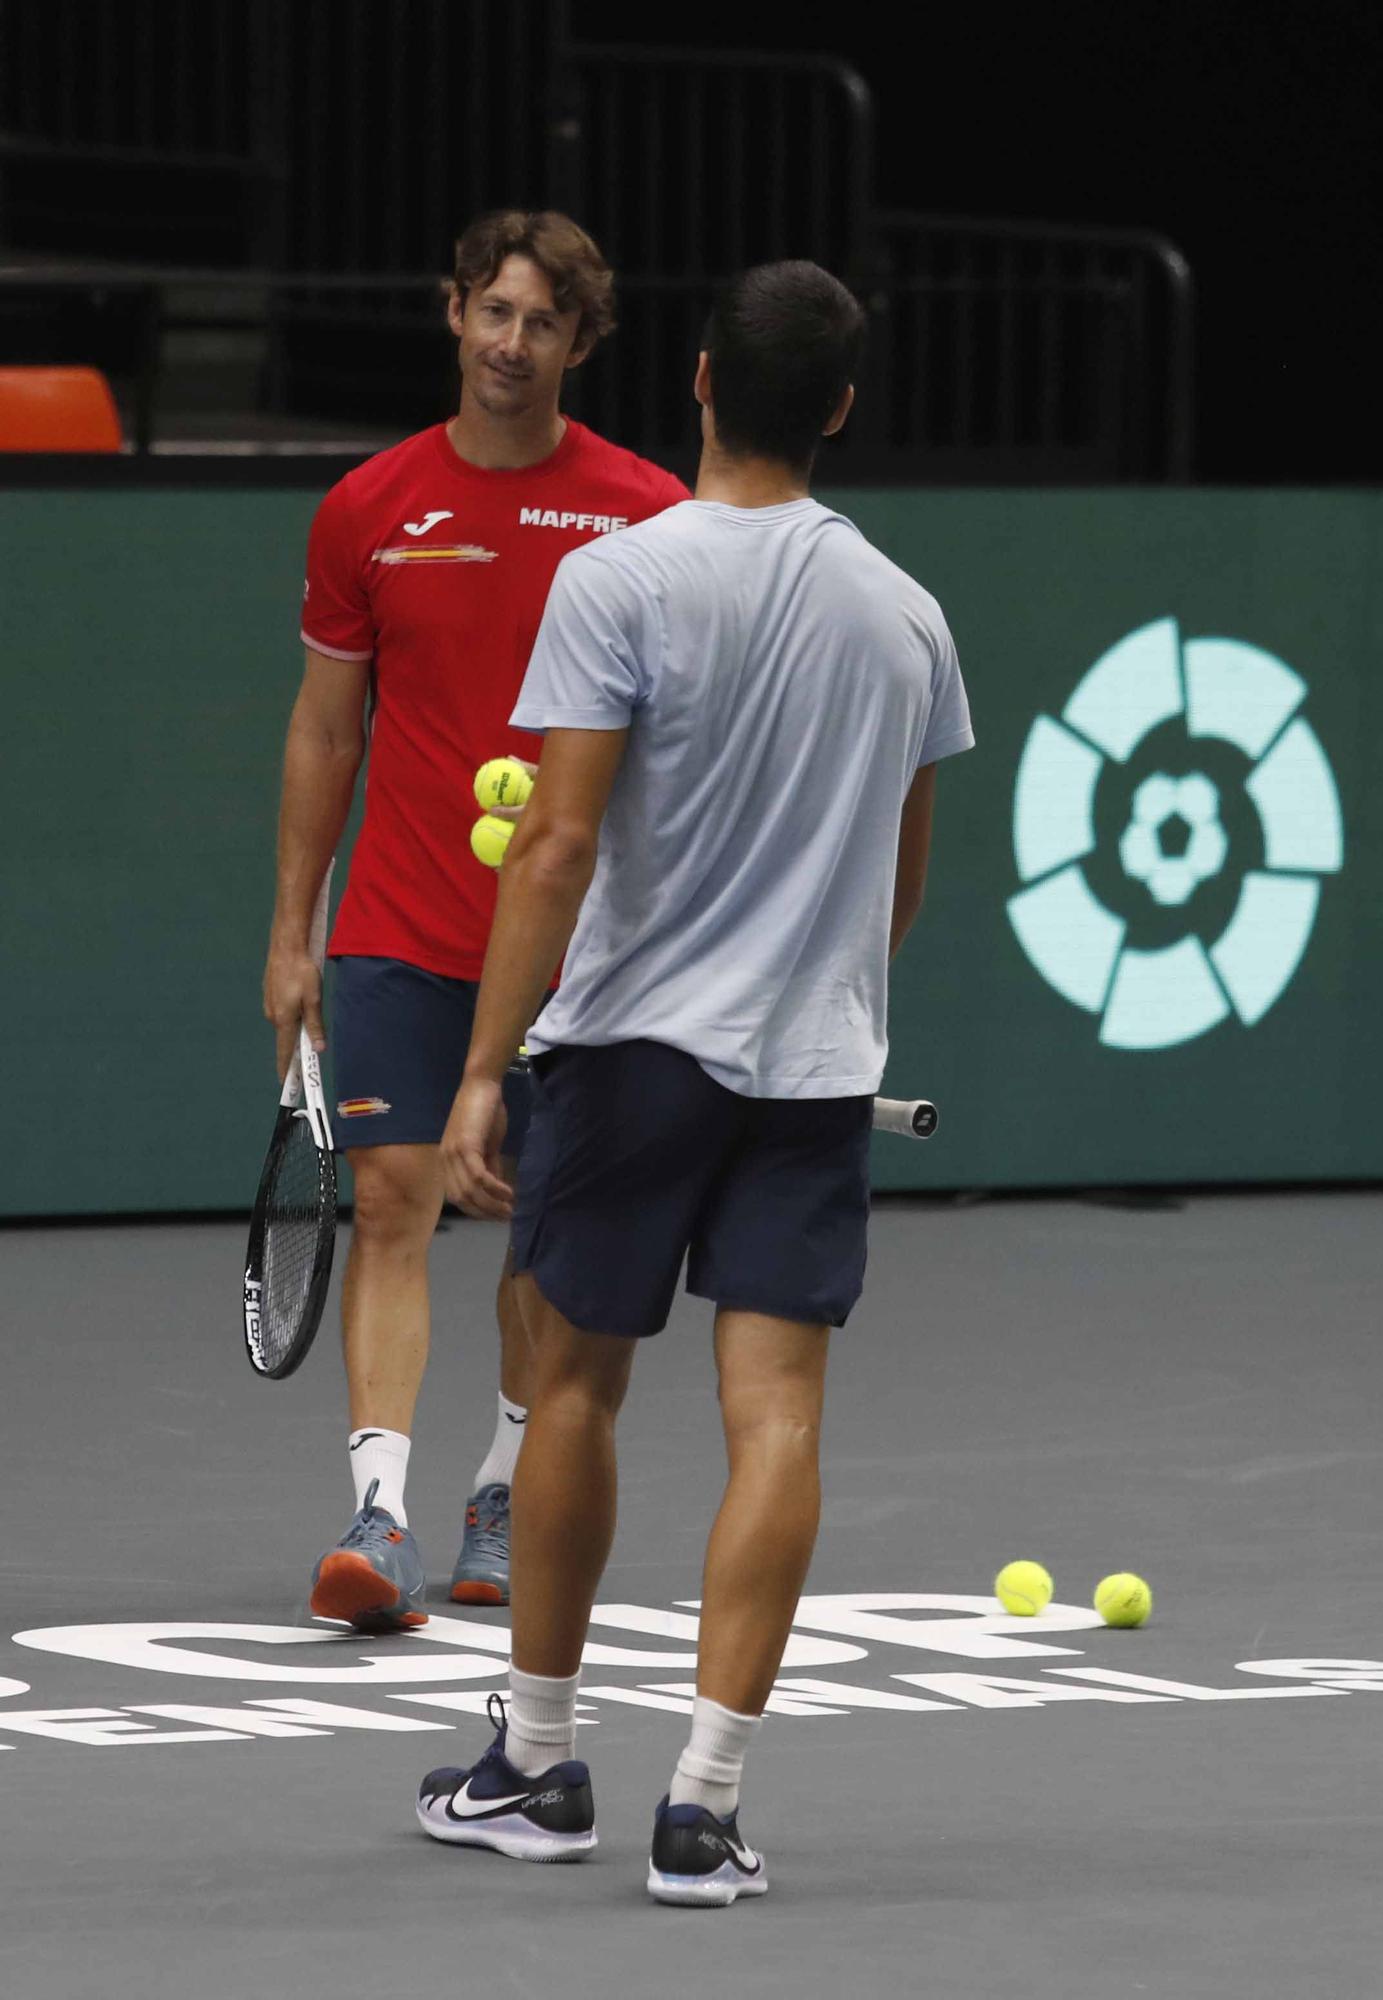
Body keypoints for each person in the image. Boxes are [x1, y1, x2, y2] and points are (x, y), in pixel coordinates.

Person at [413, 260, 974, 1902]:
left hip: (632, 1060)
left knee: (574, 1389)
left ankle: (534, 1765)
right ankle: (704, 1808)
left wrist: (482, 1067)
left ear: (704, 384)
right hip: (812, 1071)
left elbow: (562, 844)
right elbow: (899, 893)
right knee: (778, 1421)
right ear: (843, 410)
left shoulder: (619, 579)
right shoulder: (910, 616)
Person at [262, 209, 689, 1632]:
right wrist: (291, 931)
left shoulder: (645, 513)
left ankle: (501, 1486)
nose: (512, 344)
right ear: (453, 314)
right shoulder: (370, 507)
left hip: (582, 940)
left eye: (542, 322)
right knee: (394, 1197)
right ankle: (376, 1519)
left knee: (538, 1229)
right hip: (400, 920)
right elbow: (328, 734)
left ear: (581, 342)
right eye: (491, 313)